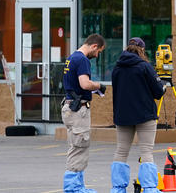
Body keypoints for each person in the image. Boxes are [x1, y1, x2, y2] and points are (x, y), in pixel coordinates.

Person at [110, 37, 167, 193]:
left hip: (123, 116)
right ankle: (149, 188)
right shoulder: (144, 67)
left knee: (121, 151)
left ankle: (117, 189)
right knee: (146, 152)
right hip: (145, 115)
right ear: (142, 49)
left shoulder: (117, 68)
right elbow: (157, 92)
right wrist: (163, 87)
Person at [62, 34, 106, 193]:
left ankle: (77, 185)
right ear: (94, 46)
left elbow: (75, 85)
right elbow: (84, 83)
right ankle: (73, 188)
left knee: (75, 146)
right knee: (79, 147)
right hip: (78, 110)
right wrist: (99, 86)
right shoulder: (82, 60)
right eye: (99, 51)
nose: (97, 55)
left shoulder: (71, 58)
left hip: (70, 107)